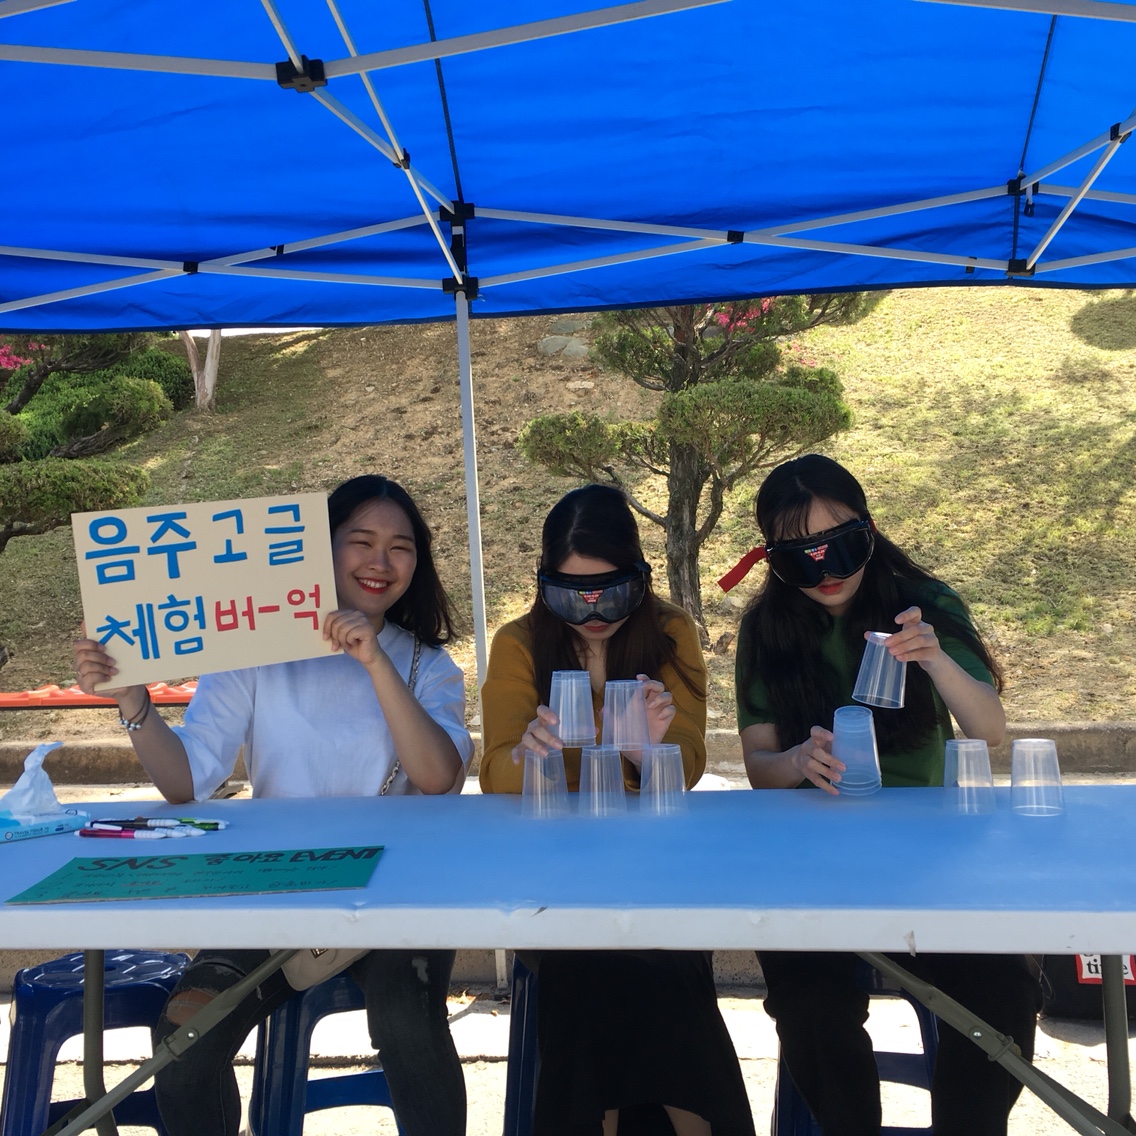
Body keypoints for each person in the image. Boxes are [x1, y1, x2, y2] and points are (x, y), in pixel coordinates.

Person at [72, 474, 472, 1136]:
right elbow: (187, 781)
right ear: (320, 549)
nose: (380, 562)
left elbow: (438, 778)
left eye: (401, 547)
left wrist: (375, 662)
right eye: (361, 541)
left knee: (409, 1021)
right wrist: (134, 700)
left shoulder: (427, 666)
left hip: (397, 894)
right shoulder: (255, 654)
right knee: (186, 1040)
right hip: (278, 890)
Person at [727, 453, 1040, 1136]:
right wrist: (796, 760)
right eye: (801, 556)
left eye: (838, 545)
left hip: (931, 860)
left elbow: (989, 729)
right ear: (772, 558)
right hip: (814, 861)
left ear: (868, 529)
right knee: (809, 1004)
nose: (826, 571)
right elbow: (758, 766)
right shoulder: (768, 628)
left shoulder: (922, 603)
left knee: (1005, 990)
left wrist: (935, 658)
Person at [481, 483, 755, 1136]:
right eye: (572, 594)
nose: (594, 611)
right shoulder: (520, 643)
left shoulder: (670, 632)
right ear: (544, 584)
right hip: (554, 879)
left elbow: (687, 763)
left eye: (612, 590)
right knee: (588, 964)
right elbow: (494, 771)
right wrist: (533, 754)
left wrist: (644, 754)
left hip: (653, 873)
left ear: (641, 576)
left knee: (659, 962)